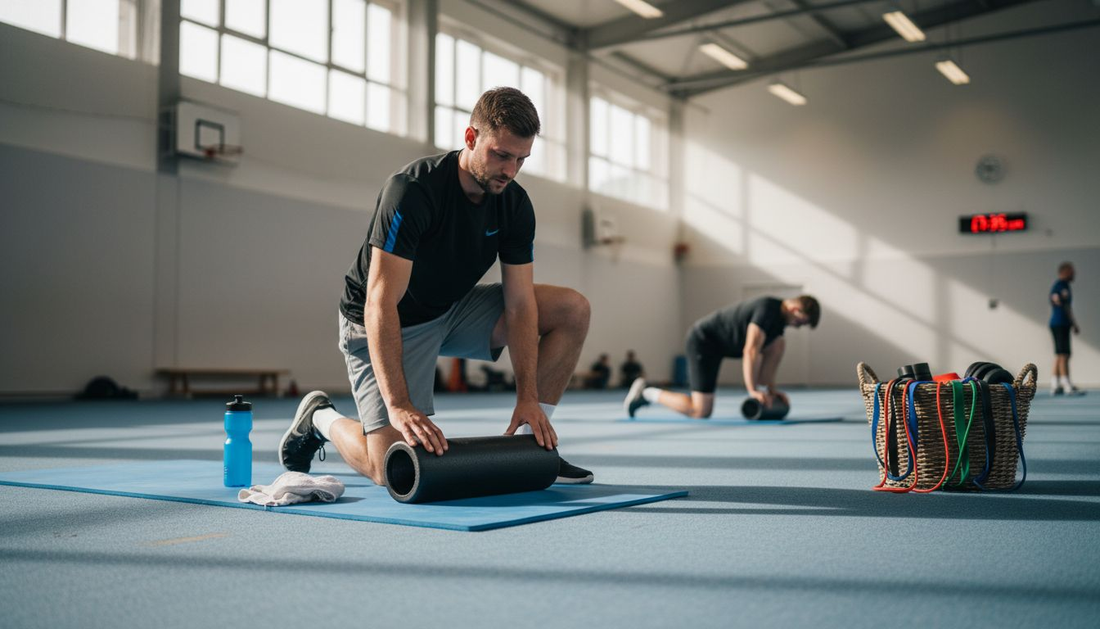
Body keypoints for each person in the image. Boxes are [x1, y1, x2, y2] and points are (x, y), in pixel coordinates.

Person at [279, 87, 594, 485]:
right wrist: (399, 405)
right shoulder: (412, 191)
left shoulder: (514, 204)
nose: (510, 171)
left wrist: (527, 397)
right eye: (500, 155)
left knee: (571, 309)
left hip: (450, 310)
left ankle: (534, 442)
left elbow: (519, 305)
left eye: (520, 160)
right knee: (393, 468)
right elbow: (380, 303)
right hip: (382, 320)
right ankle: (320, 417)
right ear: (470, 138)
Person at [624, 295, 820, 418]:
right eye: (801, 322)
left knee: (778, 343)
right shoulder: (768, 309)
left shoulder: (779, 324)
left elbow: (768, 354)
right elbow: (751, 350)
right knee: (700, 411)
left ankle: (766, 390)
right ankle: (648, 392)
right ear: (796, 309)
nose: (798, 326)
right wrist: (752, 390)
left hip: (722, 345)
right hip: (703, 342)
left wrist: (771, 391)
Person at [1049, 262, 1082, 395]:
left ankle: (1055, 383)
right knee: (1063, 354)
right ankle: (1066, 383)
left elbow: (1068, 307)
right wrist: (1073, 323)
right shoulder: (1059, 286)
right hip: (1059, 323)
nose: (1074, 274)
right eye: (1071, 271)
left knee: (1061, 354)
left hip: (1064, 323)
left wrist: (1073, 323)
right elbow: (1058, 303)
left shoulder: (1066, 286)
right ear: (1064, 272)